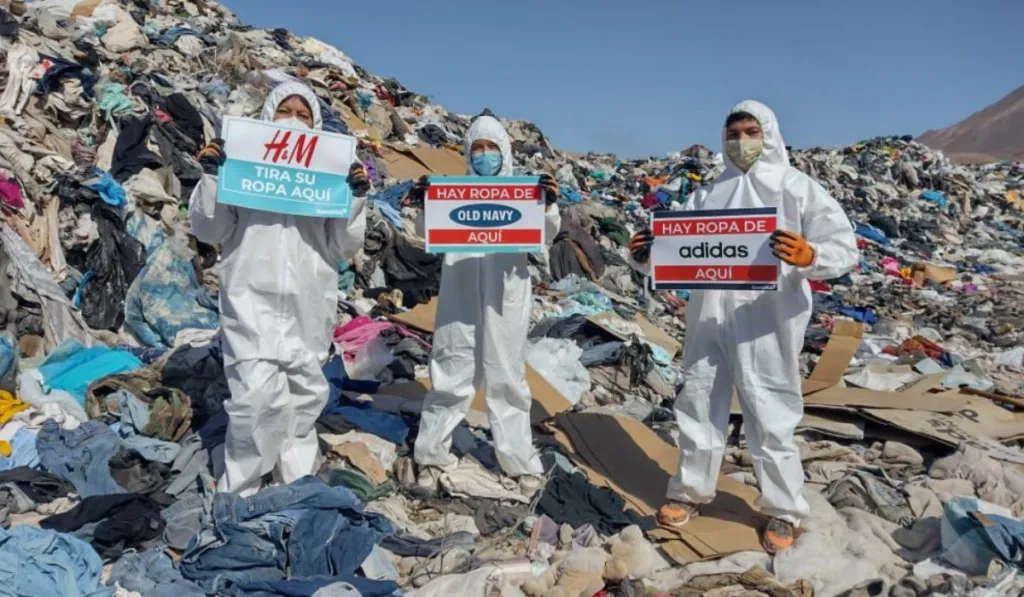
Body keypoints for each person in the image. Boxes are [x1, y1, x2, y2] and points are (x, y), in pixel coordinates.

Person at [629, 100, 859, 553]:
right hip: (709, 317)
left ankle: (783, 510)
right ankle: (688, 492)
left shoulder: (797, 189)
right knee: (697, 403)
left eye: (751, 131)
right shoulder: (707, 194)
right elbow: (674, 255)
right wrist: (642, 256)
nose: (741, 141)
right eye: (733, 132)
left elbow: (843, 247)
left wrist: (810, 256)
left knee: (771, 411)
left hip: (767, 320)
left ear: (768, 134)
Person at [189, 82, 371, 497]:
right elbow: (209, 228)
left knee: (304, 397)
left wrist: (355, 198)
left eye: (303, 114)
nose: (293, 119)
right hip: (250, 296)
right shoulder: (243, 165)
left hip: (309, 301)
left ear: (317, 123)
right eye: (283, 111)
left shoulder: (329, 175)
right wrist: (214, 177)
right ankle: (242, 493)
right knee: (253, 398)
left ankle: (296, 488)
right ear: (267, 120)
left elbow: (343, 246)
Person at [411, 114, 561, 490]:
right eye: (476, 148)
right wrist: (422, 203)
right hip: (460, 288)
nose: (483, 155)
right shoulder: (451, 196)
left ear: (505, 153)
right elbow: (423, 230)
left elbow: (544, 235)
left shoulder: (523, 195)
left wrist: (547, 205)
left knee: (507, 376)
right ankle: (431, 455)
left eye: (491, 148)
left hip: (506, 294)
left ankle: (519, 462)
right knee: (450, 369)